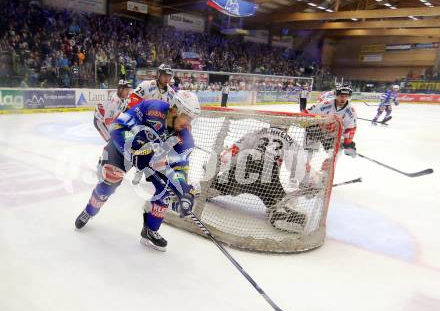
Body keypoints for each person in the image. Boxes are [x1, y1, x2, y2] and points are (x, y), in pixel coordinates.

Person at [75, 91, 201, 252]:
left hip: (148, 156)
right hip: (123, 147)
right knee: (110, 179)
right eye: (187, 117)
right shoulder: (152, 108)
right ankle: (89, 211)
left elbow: (180, 167)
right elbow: (117, 127)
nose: (189, 123)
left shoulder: (185, 137)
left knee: (169, 188)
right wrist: (132, 148)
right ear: (175, 110)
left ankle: (150, 230)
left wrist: (184, 192)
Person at [200, 127, 308, 233]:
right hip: (268, 177)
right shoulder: (289, 140)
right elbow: (299, 166)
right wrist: (306, 182)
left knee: (217, 187)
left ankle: (210, 188)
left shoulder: (258, 132)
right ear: (287, 127)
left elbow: (235, 150)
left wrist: (219, 167)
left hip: (244, 169)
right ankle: (279, 212)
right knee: (278, 203)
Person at [128, 64, 176, 185]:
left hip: (159, 126)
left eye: (169, 76)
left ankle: (152, 171)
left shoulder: (171, 93)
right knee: (140, 148)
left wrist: (169, 126)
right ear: (159, 74)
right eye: (165, 75)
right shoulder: (146, 85)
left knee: (157, 150)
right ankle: (139, 170)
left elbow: (172, 112)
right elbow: (133, 99)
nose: (167, 79)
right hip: (143, 122)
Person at [302, 84, 357, 189]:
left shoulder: (351, 111)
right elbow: (306, 113)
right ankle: (305, 178)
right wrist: (309, 124)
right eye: (341, 95)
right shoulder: (325, 104)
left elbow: (351, 128)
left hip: (332, 136)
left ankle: (323, 178)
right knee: (307, 155)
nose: (343, 98)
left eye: (346, 96)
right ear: (336, 94)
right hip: (315, 131)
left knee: (334, 156)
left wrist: (348, 142)